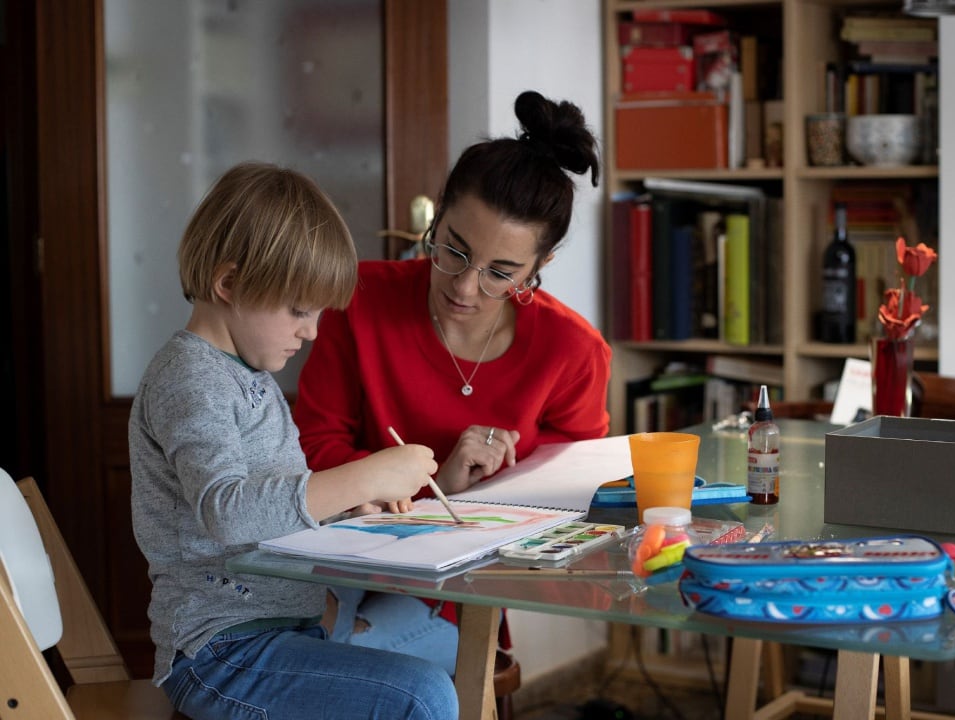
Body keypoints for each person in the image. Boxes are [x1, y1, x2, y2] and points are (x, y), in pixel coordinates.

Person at [294, 90, 611, 674]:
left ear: (540, 268)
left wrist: (466, 499)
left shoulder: (573, 352)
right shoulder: (357, 300)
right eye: (453, 251)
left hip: (467, 595)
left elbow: (575, 506)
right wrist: (437, 480)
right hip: (341, 565)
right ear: (436, 219)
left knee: (322, 662)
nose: (465, 289)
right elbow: (311, 453)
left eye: (500, 273)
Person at [128, 162, 458, 720]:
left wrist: (349, 503)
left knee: (444, 638)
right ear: (228, 284)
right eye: (299, 311)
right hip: (221, 651)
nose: (311, 331)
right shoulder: (191, 380)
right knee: (421, 696)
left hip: (282, 623)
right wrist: (363, 474)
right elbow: (227, 512)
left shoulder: (248, 377)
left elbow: (271, 506)